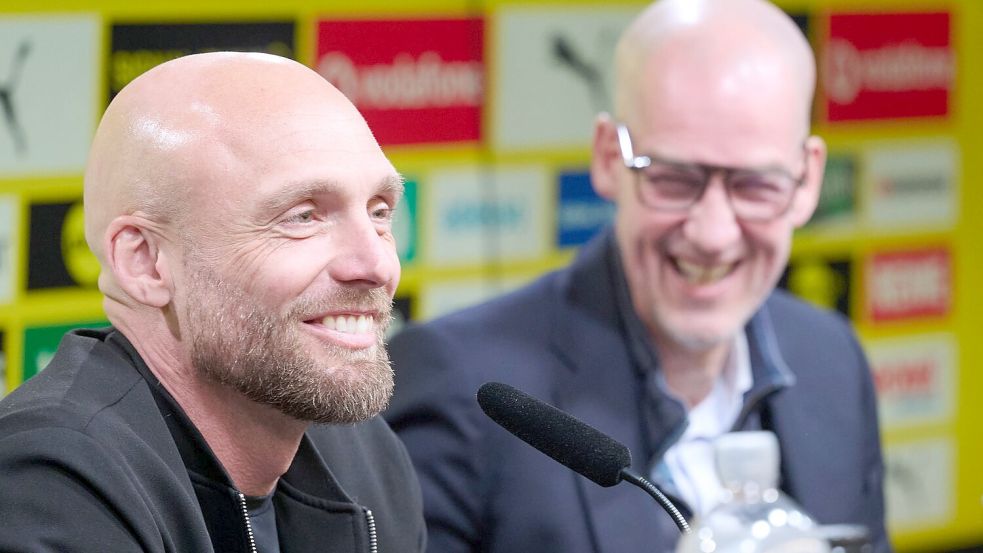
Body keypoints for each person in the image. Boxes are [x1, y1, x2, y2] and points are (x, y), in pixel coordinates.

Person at [383, 1, 890, 552]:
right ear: (608, 158)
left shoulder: (832, 359)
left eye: (755, 185)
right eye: (673, 178)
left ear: (808, 179)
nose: (713, 233)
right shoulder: (462, 387)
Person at [0, 52, 425, 553]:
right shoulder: (51, 486)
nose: (377, 265)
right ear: (145, 261)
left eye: (379, 212)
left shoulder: (366, 457)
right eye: (303, 216)